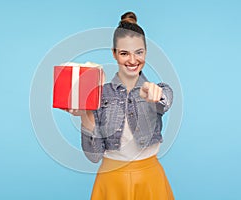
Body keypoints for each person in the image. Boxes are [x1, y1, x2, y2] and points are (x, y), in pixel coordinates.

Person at [68, 11, 174, 200]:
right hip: (111, 180)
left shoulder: (157, 89)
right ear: (114, 54)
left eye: (139, 52)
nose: (133, 61)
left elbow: (166, 100)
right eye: (124, 53)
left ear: (146, 53)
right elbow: (93, 157)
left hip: (149, 178)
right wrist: (86, 115)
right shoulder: (98, 96)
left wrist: (154, 94)